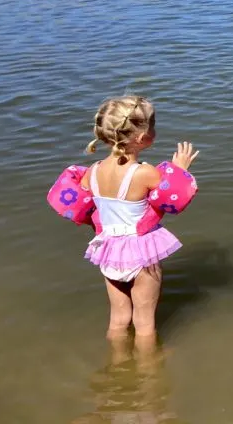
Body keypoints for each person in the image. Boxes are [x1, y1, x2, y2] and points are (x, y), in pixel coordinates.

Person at [79, 95, 199, 343]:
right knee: (144, 322)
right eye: (152, 125)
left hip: (108, 249)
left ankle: (118, 361)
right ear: (142, 138)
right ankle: (149, 371)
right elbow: (173, 196)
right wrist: (181, 169)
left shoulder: (92, 172)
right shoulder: (145, 173)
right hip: (140, 252)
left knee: (118, 318)